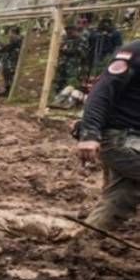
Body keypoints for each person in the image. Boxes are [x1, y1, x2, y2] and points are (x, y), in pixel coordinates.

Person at [75, 38, 140, 230]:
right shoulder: (134, 52)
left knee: (123, 194)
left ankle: (85, 243)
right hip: (119, 138)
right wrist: (89, 134)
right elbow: (103, 91)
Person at [55, 24, 87, 94]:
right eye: (67, 31)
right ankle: (59, 93)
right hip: (62, 63)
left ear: (75, 31)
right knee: (60, 79)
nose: (68, 33)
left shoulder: (81, 39)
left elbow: (81, 52)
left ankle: (71, 93)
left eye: (70, 31)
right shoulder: (64, 39)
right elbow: (58, 49)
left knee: (71, 79)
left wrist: (68, 50)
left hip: (74, 64)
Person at [0, 26, 22, 97]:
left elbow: (7, 47)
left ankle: (10, 90)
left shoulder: (16, 39)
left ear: (13, 33)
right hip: (9, 59)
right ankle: (8, 89)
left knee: (9, 74)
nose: (9, 34)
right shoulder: (14, 39)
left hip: (11, 60)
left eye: (10, 32)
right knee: (7, 74)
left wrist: (2, 45)